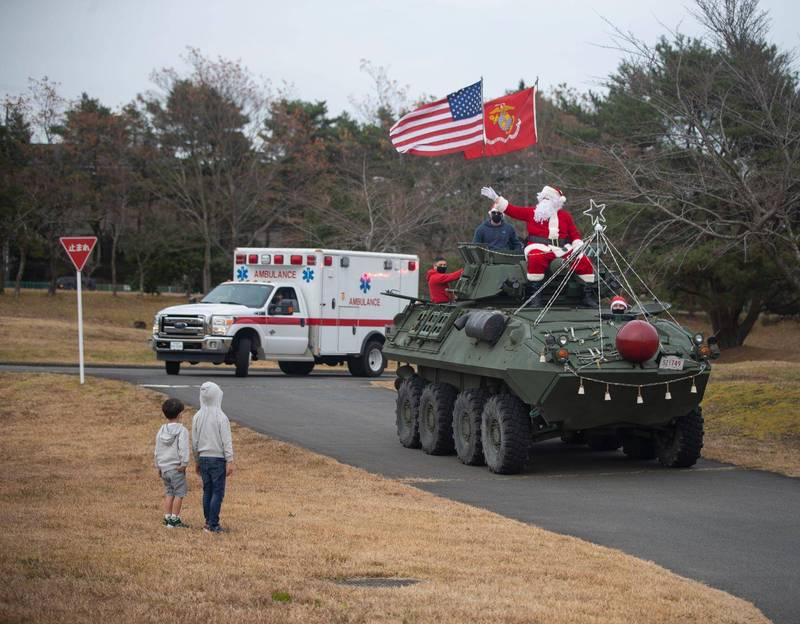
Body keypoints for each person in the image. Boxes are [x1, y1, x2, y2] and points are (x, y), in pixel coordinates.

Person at [480, 184, 597, 307]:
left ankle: (587, 295)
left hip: (562, 249)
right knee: (535, 258)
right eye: (544, 198)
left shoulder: (565, 216)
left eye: (549, 199)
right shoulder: (532, 213)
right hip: (539, 247)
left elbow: (574, 234)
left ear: (556, 202)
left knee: (583, 260)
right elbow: (512, 210)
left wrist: (577, 245)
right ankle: (536, 296)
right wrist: (496, 198)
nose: (545, 201)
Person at [191, 382, 234, 533]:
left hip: (203, 458)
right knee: (217, 492)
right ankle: (214, 525)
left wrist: (196, 460)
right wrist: (229, 460)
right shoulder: (221, 417)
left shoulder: (197, 416)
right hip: (218, 459)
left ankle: (208, 522)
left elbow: (194, 441)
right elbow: (226, 440)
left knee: (207, 490)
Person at [154, 398, 190, 528]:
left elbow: (157, 450)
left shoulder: (162, 430)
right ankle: (175, 520)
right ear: (180, 414)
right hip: (176, 468)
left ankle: (167, 517)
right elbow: (184, 448)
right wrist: (184, 463)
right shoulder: (182, 430)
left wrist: (158, 466)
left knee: (169, 493)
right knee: (179, 493)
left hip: (164, 468)